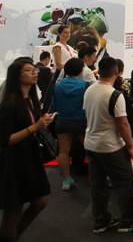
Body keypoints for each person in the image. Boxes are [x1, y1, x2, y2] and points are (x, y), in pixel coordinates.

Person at [0, 58, 53, 241]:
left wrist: (39, 123)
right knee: (13, 211)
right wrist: (34, 127)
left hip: (29, 157)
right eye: (29, 71)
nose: (34, 73)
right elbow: (4, 140)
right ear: (17, 76)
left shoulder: (29, 99)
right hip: (14, 161)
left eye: (34, 70)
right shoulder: (11, 103)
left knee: (40, 202)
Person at [83, 56, 133, 233]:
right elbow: (123, 124)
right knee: (124, 181)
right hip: (110, 146)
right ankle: (127, 221)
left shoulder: (89, 90)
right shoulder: (115, 95)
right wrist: (130, 146)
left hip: (91, 144)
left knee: (97, 183)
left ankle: (100, 220)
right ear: (116, 72)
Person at [52, 57, 89, 191]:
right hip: (81, 121)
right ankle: (99, 177)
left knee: (63, 151)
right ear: (81, 70)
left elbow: (55, 104)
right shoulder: (86, 85)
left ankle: (66, 181)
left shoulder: (57, 86)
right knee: (90, 150)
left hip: (62, 121)